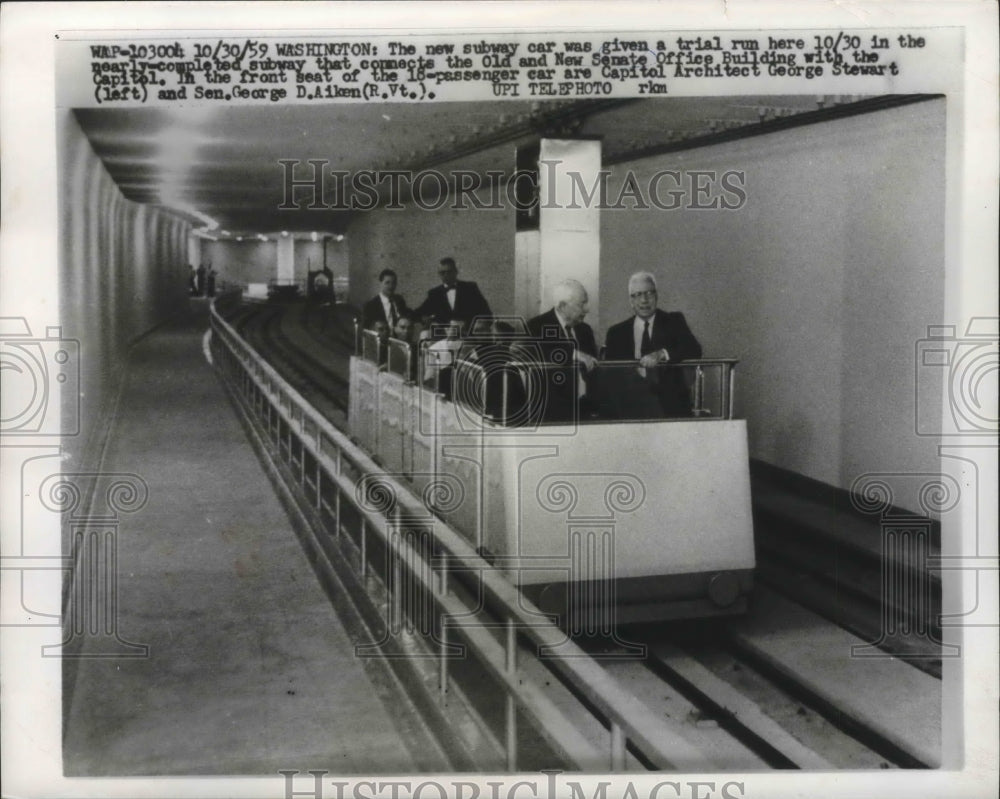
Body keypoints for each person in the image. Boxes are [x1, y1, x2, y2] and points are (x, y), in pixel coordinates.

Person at [603, 271, 702, 417]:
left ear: (656, 296)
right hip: (630, 410)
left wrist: (662, 353)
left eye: (649, 293)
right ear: (631, 300)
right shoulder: (616, 333)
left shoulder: (674, 321)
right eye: (637, 295)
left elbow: (694, 349)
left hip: (669, 410)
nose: (644, 300)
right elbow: (611, 378)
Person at [526, 279, 599, 421]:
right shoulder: (536, 326)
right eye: (581, 304)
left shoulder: (585, 330)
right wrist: (574, 354)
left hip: (586, 411)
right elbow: (543, 353)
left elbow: (594, 370)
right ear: (562, 305)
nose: (587, 309)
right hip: (551, 412)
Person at [414, 257, 491, 330]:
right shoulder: (434, 294)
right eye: (442, 273)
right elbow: (418, 313)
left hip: (467, 335)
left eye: (449, 272)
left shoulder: (470, 288)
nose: (446, 275)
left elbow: (486, 313)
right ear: (439, 274)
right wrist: (425, 320)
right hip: (443, 338)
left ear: (456, 272)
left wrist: (466, 323)